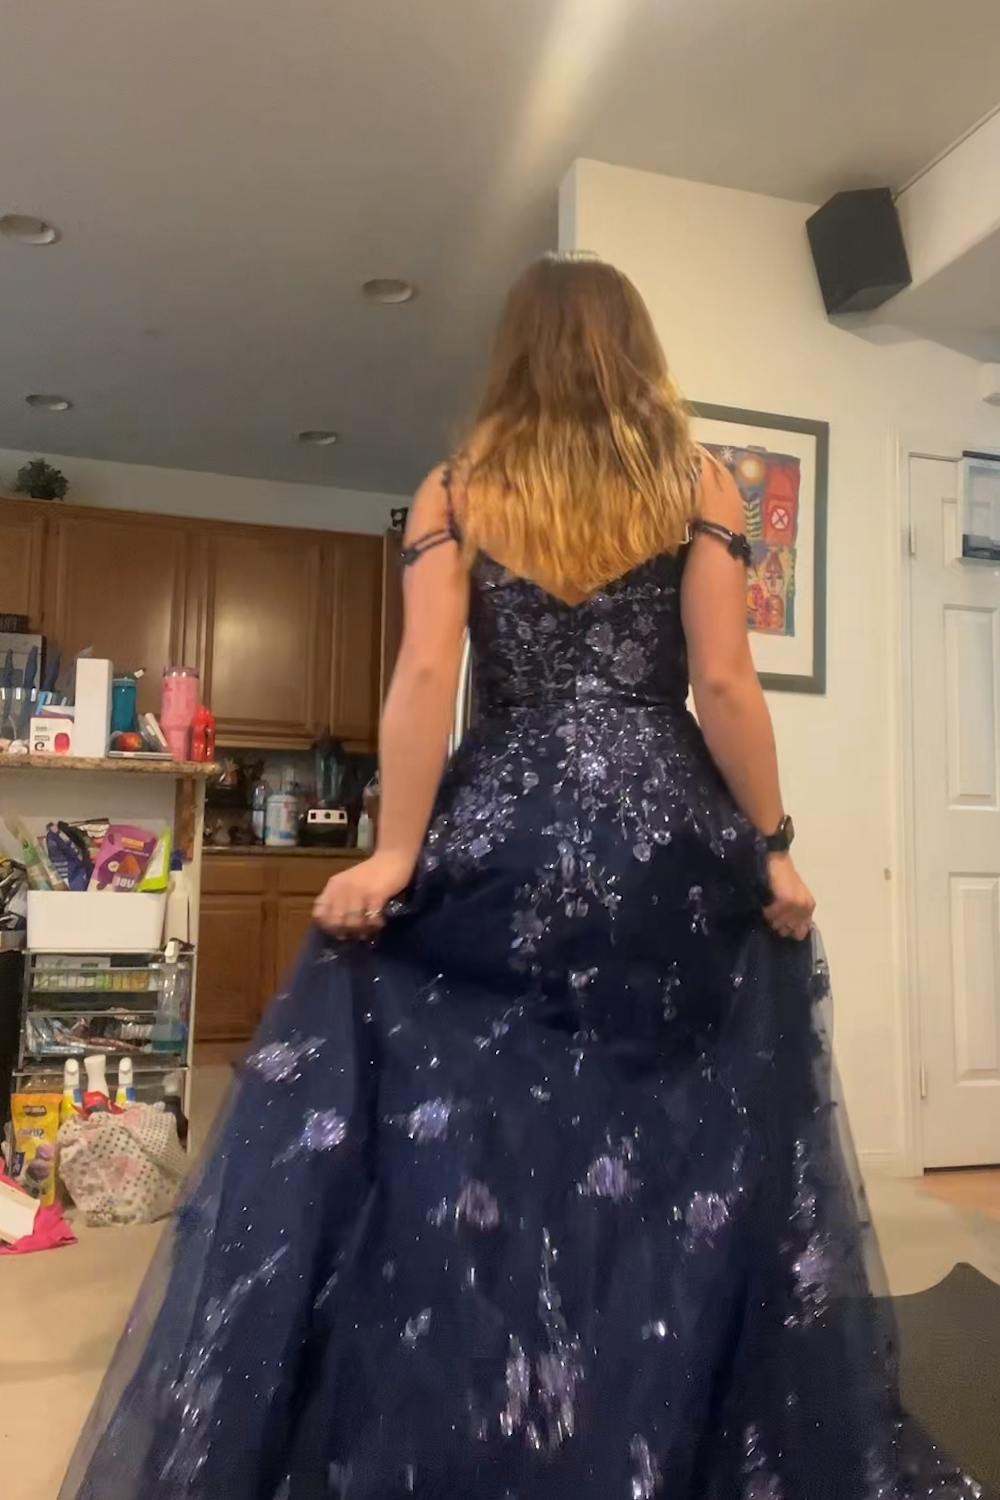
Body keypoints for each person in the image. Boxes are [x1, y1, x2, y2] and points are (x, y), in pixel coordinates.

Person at [63, 256, 979, 1499]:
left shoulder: (461, 489)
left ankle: (508, 1403)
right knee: (670, 1128)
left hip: (509, 823)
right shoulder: (699, 484)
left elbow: (425, 678)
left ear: (516, 354)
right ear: (636, 352)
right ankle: (652, 1404)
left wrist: (395, 853)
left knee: (485, 1125)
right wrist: (771, 843)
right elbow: (722, 683)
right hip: (661, 836)